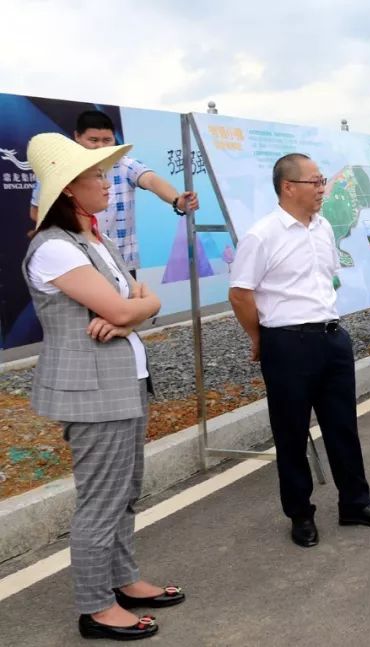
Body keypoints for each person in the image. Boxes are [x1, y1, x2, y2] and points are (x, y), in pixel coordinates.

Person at [24, 133, 180, 641]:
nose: (105, 181)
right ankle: (95, 607)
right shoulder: (53, 249)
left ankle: (125, 579)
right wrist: (134, 310)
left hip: (123, 381)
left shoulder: (95, 240)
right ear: (70, 189)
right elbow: (125, 304)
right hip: (93, 392)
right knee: (102, 500)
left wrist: (134, 312)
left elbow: (138, 300)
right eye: (95, 176)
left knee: (126, 490)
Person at [229, 153, 370, 548]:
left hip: (331, 337)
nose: (323, 189)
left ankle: (356, 503)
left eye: (323, 181)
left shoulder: (323, 227)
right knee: (291, 434)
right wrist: (261, 338)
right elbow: (240, 294)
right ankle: (300, 515)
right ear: (289, 187)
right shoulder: (263, 235)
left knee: (343, 426)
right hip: (287, 343)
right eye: (316, 182)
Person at [30, 110, 200, 274]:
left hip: (121, 261)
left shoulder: (124, 164)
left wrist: (177, 200)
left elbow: (151, 180)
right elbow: (37, 212)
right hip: (77, 261)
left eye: (107, 140)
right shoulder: (57, 170)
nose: (100, 146)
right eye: (93, 140)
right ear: (77, 136)